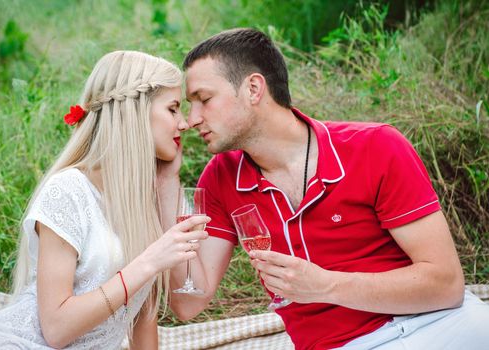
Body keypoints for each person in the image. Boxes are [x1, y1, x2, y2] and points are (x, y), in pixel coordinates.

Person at [168, 28, 489, 349]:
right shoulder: (222, 177)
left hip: (442, 324)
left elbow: (447, 285)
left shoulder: (376, 146)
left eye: (204, 100)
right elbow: (188, 302)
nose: (192, 119)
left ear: (253, 88)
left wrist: (325, 286)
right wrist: (164, 181)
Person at [0, 50, 209, 349]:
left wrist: (168, 182)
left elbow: (148, 315)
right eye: (172, 109)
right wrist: (149, 262)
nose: (184, 124)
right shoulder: (67, 192)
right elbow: (56, 329)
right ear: (134, 111)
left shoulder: (148, 196)